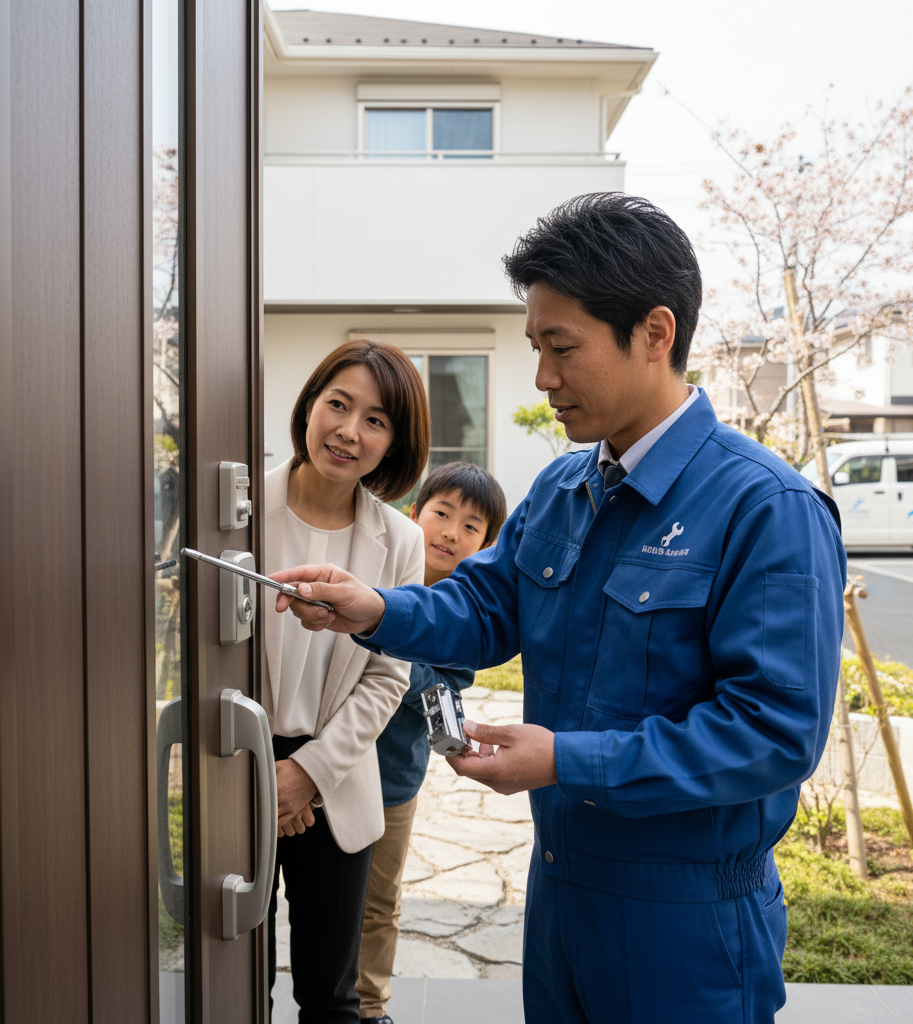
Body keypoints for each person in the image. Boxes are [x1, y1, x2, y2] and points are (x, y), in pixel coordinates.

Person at [274, 193, 847, 1024]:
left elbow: (774, 733)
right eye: (536, 346)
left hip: (684, 922)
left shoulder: (767, 508)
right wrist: (373, 607)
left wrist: (566, 760)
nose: (543, 378)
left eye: (562, 348)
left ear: (655, 334)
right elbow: (485, 605)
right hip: (560, 894)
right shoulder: (566, 486)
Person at [263, 339, 429, 1021]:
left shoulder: (401, 539)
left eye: (376, 420)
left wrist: (307, 772)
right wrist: (264, 767)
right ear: (309, 405)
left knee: (332, 996)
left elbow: (389, 677)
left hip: (332, 778)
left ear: (394, 444)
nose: (348, 431)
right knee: (228, 973)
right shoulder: (239, 506)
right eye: (339, 404)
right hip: (234, 757)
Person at [357, 462, 507, 1024]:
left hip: (392, 777)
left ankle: (369, 1007)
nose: (450, 532)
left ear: (487, 546)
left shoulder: (465, 614)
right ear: (412, 514)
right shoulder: (377, 570)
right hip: (323, 760)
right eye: (441, 513)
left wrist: (388, 640)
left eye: (471, 527)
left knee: (377, 902)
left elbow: (443, 696)